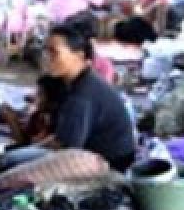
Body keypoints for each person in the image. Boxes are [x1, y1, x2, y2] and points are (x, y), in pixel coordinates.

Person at [44, 24, 136, 171]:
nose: (47, 58)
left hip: (110, 166)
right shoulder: (78, 81)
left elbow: (67, 151)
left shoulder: (82, 96)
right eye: (46, 51)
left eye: (54, 53)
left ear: (79, 55)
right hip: (99, 156)